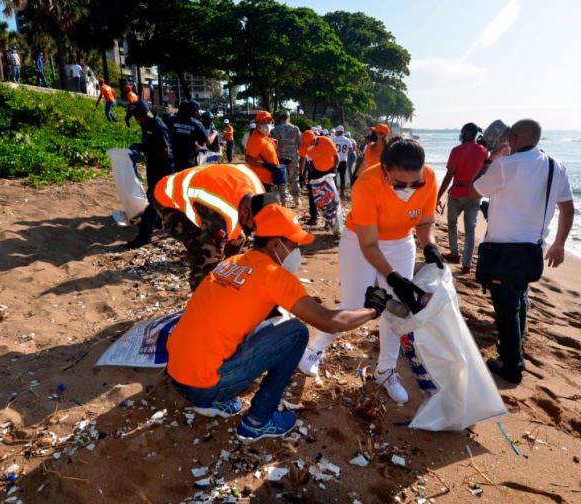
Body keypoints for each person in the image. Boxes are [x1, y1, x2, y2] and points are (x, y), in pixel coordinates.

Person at [168, 205, 390, 441]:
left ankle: (215, 398)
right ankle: (257, 421)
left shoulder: (232, 262)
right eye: (293, 245)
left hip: (177, 374)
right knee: (296, 333)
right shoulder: (274, 275)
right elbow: (330, 322)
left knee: (273, 320)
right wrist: (372, 309)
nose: (295, 252)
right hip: (203, 386)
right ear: (276, 244)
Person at [299, 138, 443, 403]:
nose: (408, 189)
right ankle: (314, 351)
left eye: (416, 183)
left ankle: (386, 370)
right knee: (354, 303)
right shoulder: (367, 183)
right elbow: (369, 244)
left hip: (401, 242)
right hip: (360, 242)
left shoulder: (431, 177)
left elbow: (424, 220)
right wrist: (392, 276)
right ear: (384, 169)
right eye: (400, 184)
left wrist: (430, 246)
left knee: (398, 307)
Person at [472, 119, 575, 385]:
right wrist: (560, 243)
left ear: (515, 138)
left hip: (503, 250)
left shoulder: (506, 165)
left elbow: (478, 186)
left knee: (506, 308)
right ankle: (514, 352)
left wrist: (491, 158)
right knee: (519, 299)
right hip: (532, 250)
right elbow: (567, 207)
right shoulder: (556, 167)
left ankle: (511, 365)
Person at [153, 164, 274, 289]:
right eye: (253, 225)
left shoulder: (259, 192)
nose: (254, 231)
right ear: (245, 212)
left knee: (238, 239)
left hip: (203, 184)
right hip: (167, 197)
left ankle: (226, 275)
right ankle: (200, 293)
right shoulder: (222, 216)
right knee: (201, 250)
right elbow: (209, 257)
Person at [436, 123, 489, 274]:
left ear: (465, 133)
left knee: (452, 223)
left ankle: (454, 254)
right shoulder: (484, 151)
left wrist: (438, 196)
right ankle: (467, 264)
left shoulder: (456, 150)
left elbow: (449, 176)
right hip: (475, 194)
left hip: (457, 193)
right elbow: (486, 173)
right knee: (470, 229)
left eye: (461, 132)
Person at [124, 101, 175, 248]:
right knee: (157, 200)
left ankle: (144, 236)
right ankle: (158, 224)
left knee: (152, 202)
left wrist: (148, 156)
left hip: (163, 168)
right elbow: (150, 145)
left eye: (136, 116)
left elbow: (166, 151)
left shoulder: (158, 126)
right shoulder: (146, 125)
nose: (136, 120)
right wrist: (138, 147)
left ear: (143, 114)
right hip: (154, 168)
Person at [166, 100, 215, 171]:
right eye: (197, 111)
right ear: (194, 111)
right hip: (188, 161)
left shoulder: (171, 120)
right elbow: (208, 142)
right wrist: (214, 133)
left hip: (172, 159)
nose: (197, 113)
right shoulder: (196, 124)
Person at [305, 131, 339, 227]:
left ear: (315, 138)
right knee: (313, 193)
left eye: (313, 142)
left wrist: (334, 170)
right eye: (309, 143)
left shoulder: (326, 140)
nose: (312, 144)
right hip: (316, 171)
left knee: (330, 195)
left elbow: (336, 157)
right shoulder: (308, 147)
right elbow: (306, 159)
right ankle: (314, 217)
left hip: (330, 171)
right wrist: (302, 173)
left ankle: (331, 219)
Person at [244, 111, 283, 193]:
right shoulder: (255, 139)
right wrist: (264, 165)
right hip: (261, 180)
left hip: (269, 179)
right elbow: (248, 159)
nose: (267, 124)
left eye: (268, 122)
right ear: (257, 125)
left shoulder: (265, 137)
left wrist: (280, 161)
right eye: (263, 122)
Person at [269, 111, 302, 207]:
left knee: (282, 179)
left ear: (280, 118)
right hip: (293, 157)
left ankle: (284, 201)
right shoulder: (295, 129)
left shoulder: (274, 130)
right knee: (295, 178)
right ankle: (296, 199)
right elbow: (300, 143)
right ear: (289, 118)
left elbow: (272, 145)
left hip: (280, 158)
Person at [332, 125, 354, 197]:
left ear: (338, 131)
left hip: (335, 160)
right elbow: (351, 150)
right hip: (344, 160)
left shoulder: (334, 139)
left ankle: (334, 191)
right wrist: (345, 154)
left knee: (334, 176)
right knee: (342, 177)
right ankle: (342, 192)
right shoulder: (347, 140)